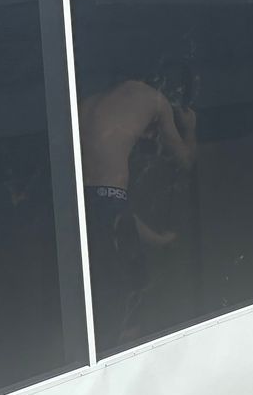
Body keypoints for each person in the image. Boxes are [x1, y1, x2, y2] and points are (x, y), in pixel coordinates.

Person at [78, 77, 197, 325]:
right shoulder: (155, 100)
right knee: (133, 299)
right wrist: (189, 127)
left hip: (79, 207)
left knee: (99, 301)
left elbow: (106, 207)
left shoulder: (86, 104)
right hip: (105, 208)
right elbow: (186, 161)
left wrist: (158, 238)